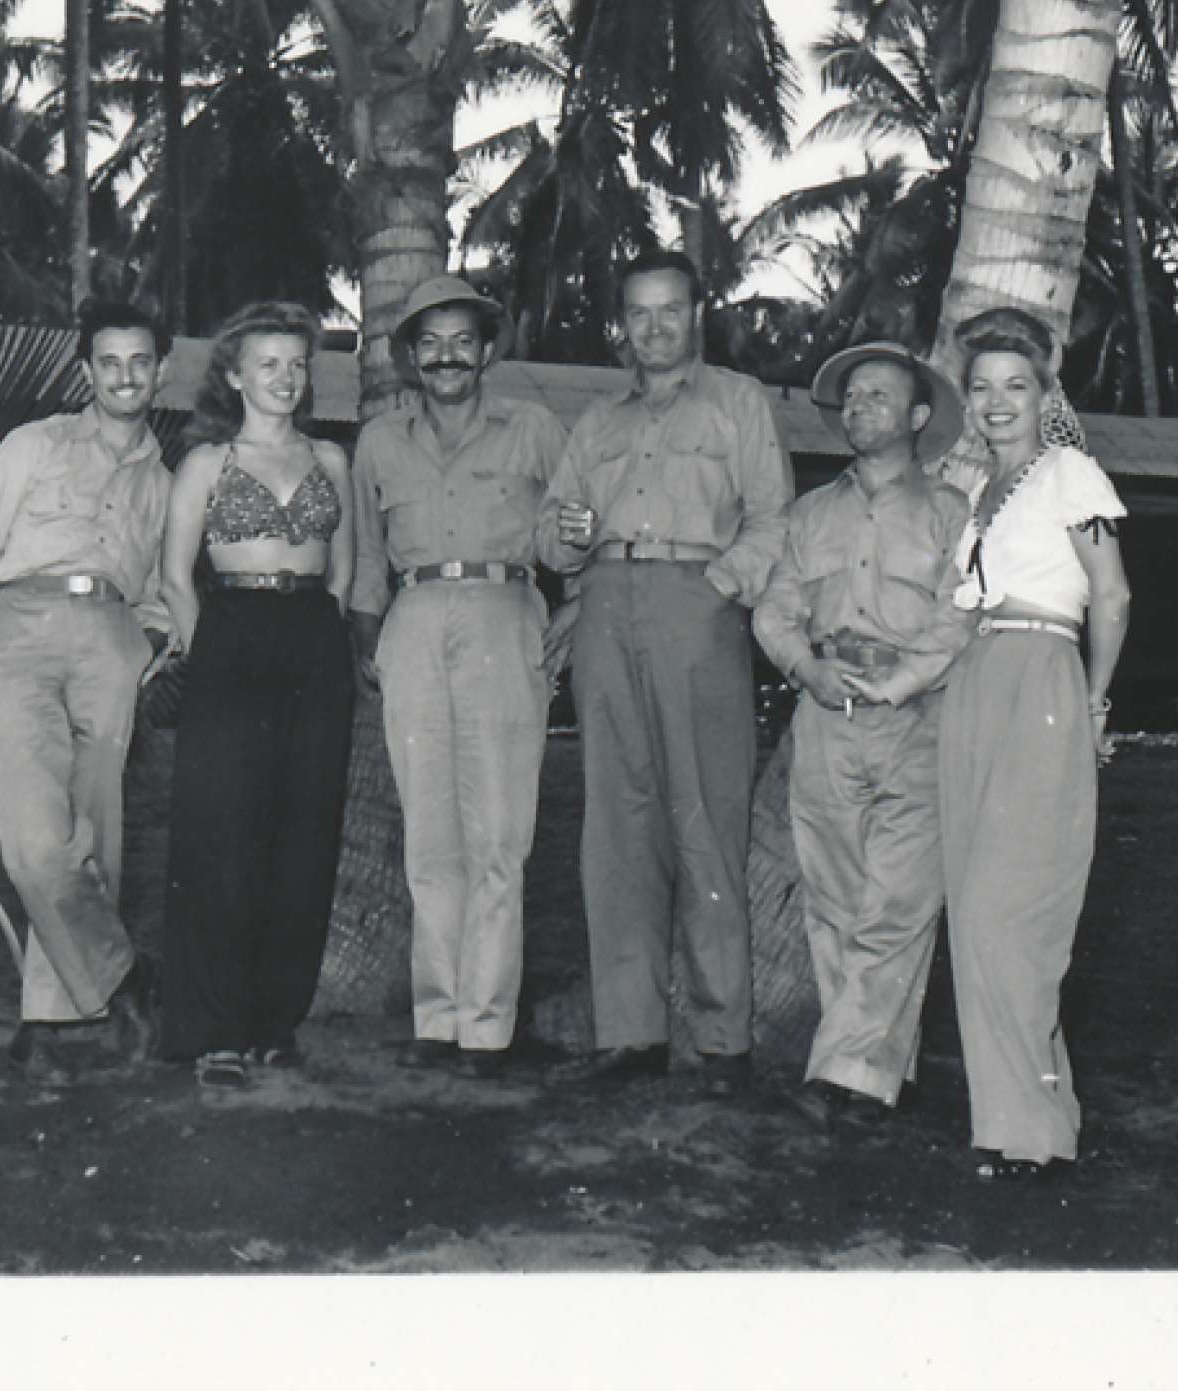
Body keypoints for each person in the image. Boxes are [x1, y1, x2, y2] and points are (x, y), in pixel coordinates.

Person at [536, 248, 794, 1094]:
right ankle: (631, 1032)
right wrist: (567, 540)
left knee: (706, 821)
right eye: (639, 314)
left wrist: (719, 587)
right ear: (623, 326)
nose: (654, 328)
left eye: (669, 311)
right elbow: (550, 534)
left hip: (699, 606)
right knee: (616, 826)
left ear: (697, 316)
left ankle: (724, 1039)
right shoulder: (597, 422)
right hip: (607, 603)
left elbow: (771, 517)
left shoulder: (737, 403)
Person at [0, 299, 170, 1073]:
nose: (126, 376)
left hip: (111, 639)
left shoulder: (164, 483)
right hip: (24, 628)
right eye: (110, 362)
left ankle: (50, 1021)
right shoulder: (33, 444)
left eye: (140, 361)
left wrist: (147, 649)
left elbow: (163, 592)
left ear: (158, 370)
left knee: (91, 837)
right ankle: (128, 979)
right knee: (34, 842)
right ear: (87, 371)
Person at [348, 276, 569, 1079]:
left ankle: (488, 1024)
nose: (447, 355)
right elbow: (369, 559)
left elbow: (571, 531)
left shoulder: (535, 428)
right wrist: (369, 643)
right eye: (429, 342)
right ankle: (436, 1016)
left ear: (486, 350)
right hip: (413, 622)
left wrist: (571, 607)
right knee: (429, 835)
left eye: (462, 340)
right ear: (410, 356)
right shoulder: (378, 441)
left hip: (503, 613)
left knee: (500, 832)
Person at [752, 342, 973, 1135]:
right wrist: (806, 668)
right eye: (853, 398)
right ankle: (879, 1070)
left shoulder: (954, 516)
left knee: (899, 906)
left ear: (918, 419)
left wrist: (902, 679)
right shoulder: (809, 515)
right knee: (836, 904)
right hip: (826, 720)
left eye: (879, 397)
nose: (860, 409)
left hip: (917, 722)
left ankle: (844, 1073)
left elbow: (960, 615)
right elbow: (774, 611)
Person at [939, 306, 1132, 1179]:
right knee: (974, 910)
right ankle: (1028, 1121)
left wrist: (1093, 705)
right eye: (980, 389)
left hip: (1045, 679)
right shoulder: (986, 494)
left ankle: (1028, 1128)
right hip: (980, 682)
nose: (995, 402)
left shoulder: (1070, 474)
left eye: (1015, 386)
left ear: (1045, 394)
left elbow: (1113, 594)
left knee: (1006, 911)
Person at [155, 302, 355, 1086]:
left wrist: (316, 639)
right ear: (234, 375)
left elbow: (340, 574)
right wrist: (215, 652)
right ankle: (216, 1029)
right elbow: (174, 576)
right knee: (222, 836)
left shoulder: (331, 461)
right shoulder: (205, 463)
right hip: (229, 633)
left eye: (297, 364)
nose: (285, 378)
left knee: (302, 832)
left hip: (311, 636)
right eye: (267, 364)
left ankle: (276, 1019)